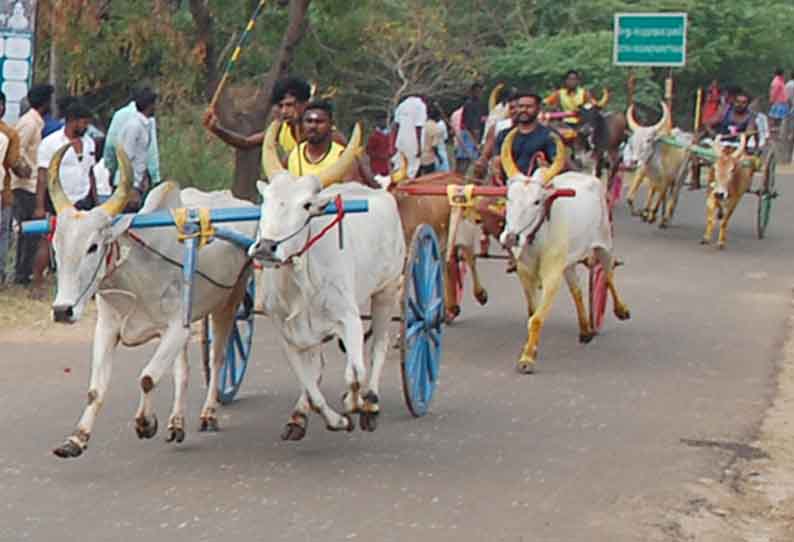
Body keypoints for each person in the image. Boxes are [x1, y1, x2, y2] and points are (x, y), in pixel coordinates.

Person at [30, 101, 97, 299]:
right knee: (47, 241)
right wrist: (40, 206)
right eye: (83, 123)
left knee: (87, 243)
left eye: (87, 123)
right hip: (58, 199)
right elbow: (42, 176)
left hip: (83, 199)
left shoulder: (89, 143)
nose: (85, 127)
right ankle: (37, 284)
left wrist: (95, 201)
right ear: (71, 121)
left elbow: (90, 172)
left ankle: (86, 285)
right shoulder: (51, 143)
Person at [11, 83, 52, 286]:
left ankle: (24, 272)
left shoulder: (37, 121)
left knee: (32, 234)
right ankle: (22, 274)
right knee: (29, 232)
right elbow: (16, 149)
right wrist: (24, 169)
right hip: (25, 185)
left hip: (33, 184)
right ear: (45, 102)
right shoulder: (29, 123)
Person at [103, 87, 161, 207]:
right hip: (128, 186)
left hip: (137, 183)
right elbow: (126, 157)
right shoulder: (134, 126)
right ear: (149, 106)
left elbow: (143, 156)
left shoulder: (146, 124)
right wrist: (130, 188)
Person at [0, 91, 30, 285]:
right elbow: (13, 162)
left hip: (3, 191)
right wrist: (25, 169)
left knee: (3, 233)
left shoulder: (9, 133)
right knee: (3, 233)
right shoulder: (8, 134)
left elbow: (11, 162)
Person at [495, 92, 557, 181]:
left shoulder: (549, 135)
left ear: (538, 109)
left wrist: (547, 167)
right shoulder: (504, 134)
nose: (524, 110)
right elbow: (497, 160)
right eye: (521, 106)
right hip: (511, 185)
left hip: (538, 186)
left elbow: (557, 161)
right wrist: (496, 166)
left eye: (529, 107)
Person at [474, 89, 518, 179]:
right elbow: (485, 156)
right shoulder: (498, 128)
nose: (515, 111)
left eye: (519, 107)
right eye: (511, 108)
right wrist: (481, 164)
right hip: (501, 178)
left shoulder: (539, 130)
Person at [391, 94, 427, 178]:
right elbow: (418, 127)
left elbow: (395, 126)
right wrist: (419, 147)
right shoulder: (420, 106)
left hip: (400, 142)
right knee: (411, 170)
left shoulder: (402, 105)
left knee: (399, 166)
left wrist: (393, 144)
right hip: (413, 143)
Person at [455, 83, 486, 173]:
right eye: (478, 91)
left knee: (463, 159)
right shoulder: (473, 105)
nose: (480, 94)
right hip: (470, 135)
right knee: (467, 160)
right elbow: (473, 125)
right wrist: (476, 141)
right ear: (473, 92)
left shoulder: (470, 104)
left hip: (467, 134)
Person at [418, 104, 442, 176]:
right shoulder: (436, 128)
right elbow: (434, 146)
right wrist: (439, 157)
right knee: (429, 179)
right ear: (437, 117)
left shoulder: (423, 124)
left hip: (418, 157)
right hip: (429, 159)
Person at [365, 111, 391, 176]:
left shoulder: (390, 134)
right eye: (381, 120)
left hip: (389, 167)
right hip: (377, 169)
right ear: (377, 122)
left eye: (385, 120)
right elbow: (368, 151)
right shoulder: (373, 135)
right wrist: (381, 156)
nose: (383, 122)